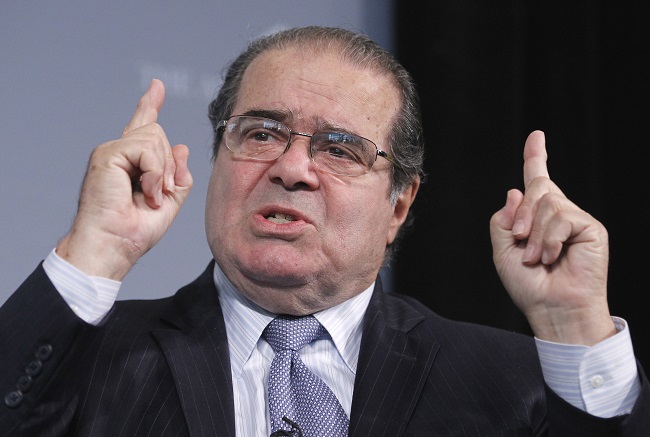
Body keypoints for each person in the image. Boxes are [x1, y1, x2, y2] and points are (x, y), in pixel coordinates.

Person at [0, 26, 647, 436]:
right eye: (260, 132)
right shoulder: (87, 358)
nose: (291, 168)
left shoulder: (511, 382)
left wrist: (574, 334)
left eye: (340, 148)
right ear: (217, 157)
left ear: (399, 205)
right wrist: (94, 253)